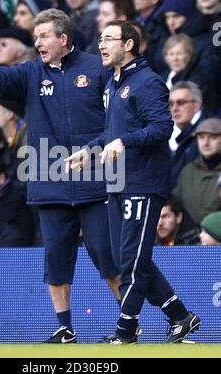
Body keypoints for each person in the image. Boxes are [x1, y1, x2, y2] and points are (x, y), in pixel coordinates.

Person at [0, 8, 121, 344]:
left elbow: (119, 116)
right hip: (49, 180)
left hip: (97, 177)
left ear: (63, 39)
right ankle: (65, 328)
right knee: (55, 255)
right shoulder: (31, 73)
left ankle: (127, 323)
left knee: (105, 253)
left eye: (43, 36)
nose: (37, 42)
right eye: (35, 36)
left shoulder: (97, 68)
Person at [66, 20, 201, 344]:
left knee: (131, 260)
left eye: (108, 39)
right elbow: (112, 134)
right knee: (127, 257)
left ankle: (125, 331)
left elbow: (161, 128)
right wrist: (90, 150)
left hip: (143, 182)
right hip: (118, 182)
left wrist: (124, 142)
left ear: (128, 44)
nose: (101, 45)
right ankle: (181, 317)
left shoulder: (147, 82)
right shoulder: (113, 84)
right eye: (99, 39)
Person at [173, 118, 221, 225]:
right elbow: (175, 205)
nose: (206, 143)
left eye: (213, 137)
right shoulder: (187, 171)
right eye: (201, 137)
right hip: (190, 238)